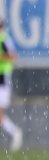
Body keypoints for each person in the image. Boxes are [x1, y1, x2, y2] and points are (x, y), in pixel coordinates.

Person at [0, 18, 24, 152]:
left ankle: (14, 132)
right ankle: (14, 132)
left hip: (2, 79)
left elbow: (13, 56)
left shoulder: (4, 39)